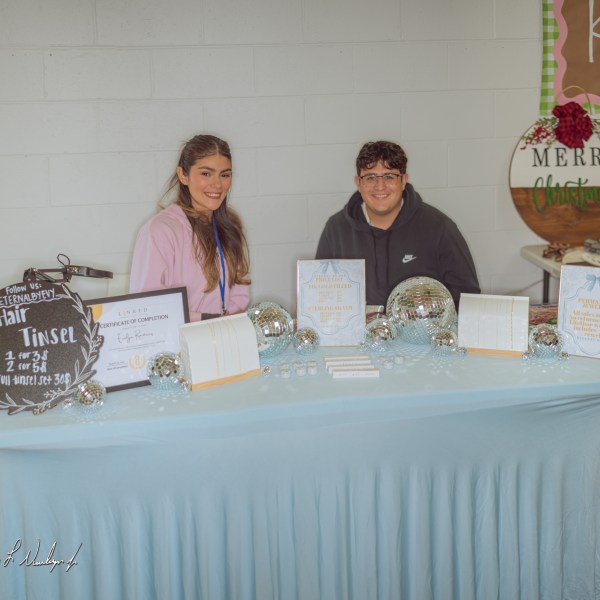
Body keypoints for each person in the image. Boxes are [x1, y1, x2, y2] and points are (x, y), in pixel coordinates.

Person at [315, 140, 480, 308]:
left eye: (389, 176)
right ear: (359, 183)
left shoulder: (440, 228)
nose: (380, 186)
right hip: (357, 327)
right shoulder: (335, 230)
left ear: (403, 181)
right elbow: (319, 298)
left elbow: (468, 300)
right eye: (370, 177)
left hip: (423, 326)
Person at [130, 134, 251, 321]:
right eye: (206, 174)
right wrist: (208, 321)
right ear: (183, 175)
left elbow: (240, 298)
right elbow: (146, 307)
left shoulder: (231, 227)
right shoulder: (160, 230)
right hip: (178, 338)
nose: (217, 184)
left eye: (225, 175)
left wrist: (228, 324)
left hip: (223, 333)